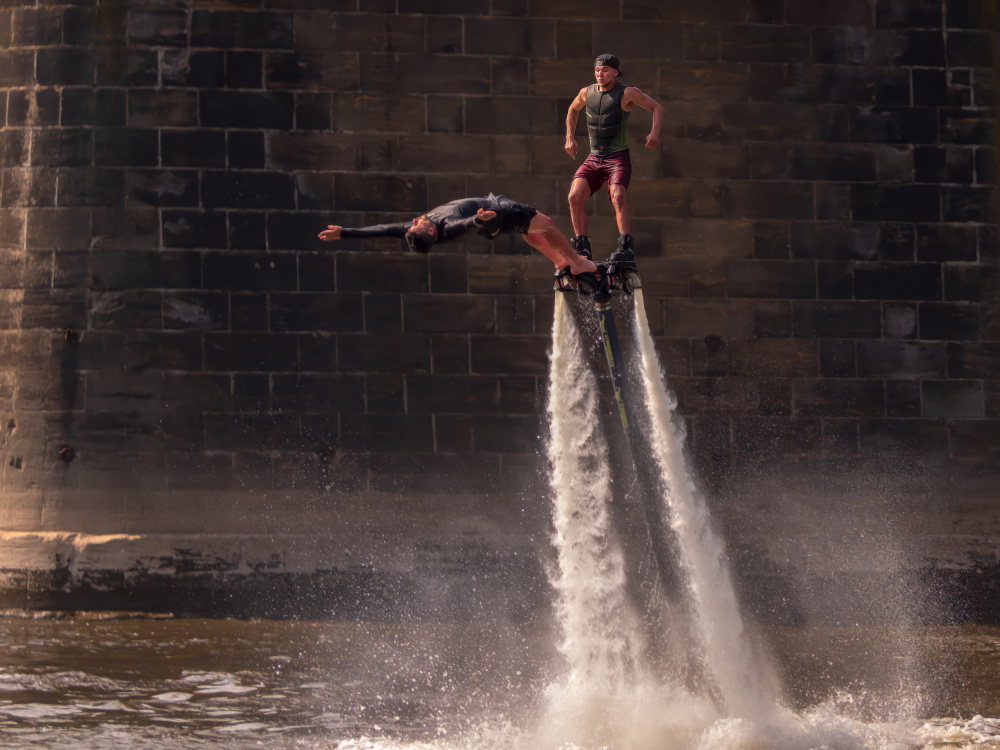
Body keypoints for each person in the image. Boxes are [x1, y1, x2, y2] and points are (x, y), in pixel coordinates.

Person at [318, 194, 599, 279]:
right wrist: (479, 218)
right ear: (430, 231)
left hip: (491, 215)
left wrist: (344, 233)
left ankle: (558, 261)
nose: (415, 220)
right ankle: (575, 261)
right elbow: (463, 226)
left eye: (413, 223)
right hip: (494, 213)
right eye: (418, 224)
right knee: (547, 224)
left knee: (528, 230)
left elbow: (380, 230)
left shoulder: (414, 230)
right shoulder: (445, 229)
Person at [564, 54, 663, 269]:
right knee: (574, 196)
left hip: (616, 157)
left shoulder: (627, 93)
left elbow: (656, 107)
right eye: (598, 70)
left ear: (615, 73)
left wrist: (654, 133)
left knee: (618, 197)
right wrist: (569, 137)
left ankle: (625, 246)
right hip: (593, 157)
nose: (600, 74)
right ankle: (582, 245)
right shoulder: (586, 92)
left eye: (606, 70)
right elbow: (573, 109)